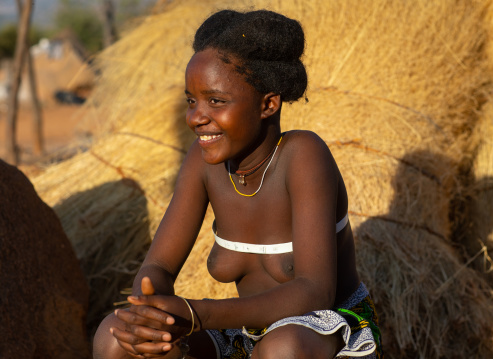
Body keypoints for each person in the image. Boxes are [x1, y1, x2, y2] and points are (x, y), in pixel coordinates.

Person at [93, 9, 383, 359]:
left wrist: (198, 315)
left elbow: (314, 291)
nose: (197, 117)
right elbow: (159, 266)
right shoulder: (203, 162)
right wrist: (148, 310)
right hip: (244, 333)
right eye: (191, 101)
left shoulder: (303, 156)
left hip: (326, 329)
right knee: (116, 337)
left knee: (282, 347)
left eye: (215, 101)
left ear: (268, 104)